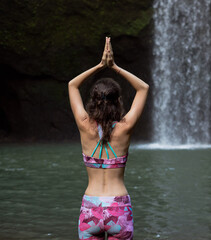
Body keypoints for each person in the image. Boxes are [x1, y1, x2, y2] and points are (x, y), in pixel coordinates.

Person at [68, 37, 149, 240]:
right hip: (118, 208)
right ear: (118, 101)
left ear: (93, 102)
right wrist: (114, 67)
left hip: (90, 208)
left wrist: (99, 65)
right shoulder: (125, 128)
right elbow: (143, 88)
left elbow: (72, 85)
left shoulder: (84, 125)